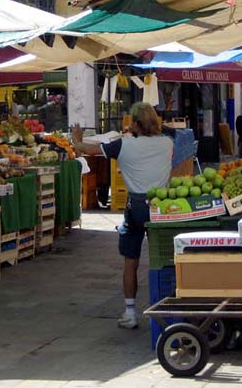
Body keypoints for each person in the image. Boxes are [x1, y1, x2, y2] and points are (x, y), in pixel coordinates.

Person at [71, 103, 173, 330]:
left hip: (136, 205)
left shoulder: (123, 145)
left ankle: (130, 312)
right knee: (164, 258)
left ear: (135, 124)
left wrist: (77, 138)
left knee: (131, 260)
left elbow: (86, 150)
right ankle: (169, 306)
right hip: (162, 205)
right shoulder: (167, 143)